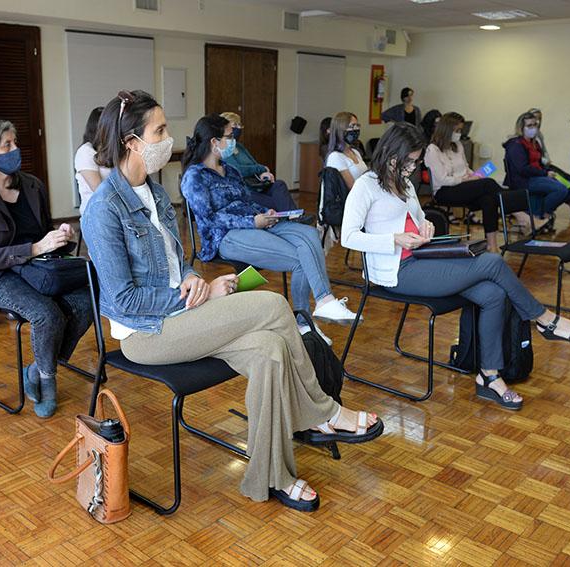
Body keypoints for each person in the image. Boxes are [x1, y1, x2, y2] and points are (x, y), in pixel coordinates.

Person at [82, 90, 381, 512]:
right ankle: (321, 413)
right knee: (275, 307)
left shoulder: (154, 191)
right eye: (160, 131)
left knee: (271, 349)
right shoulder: (103, 209)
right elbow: (124, 299)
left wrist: (194, 281)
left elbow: (178, 262)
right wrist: (188, 297)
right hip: (147, 333)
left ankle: (270, 477)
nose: (170, 139)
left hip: (182, 315)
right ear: (132, 142)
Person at [341, 123, 570, 411]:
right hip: (396, 273)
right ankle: (546, 320)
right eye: (409, 161)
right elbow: (348, 237)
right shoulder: (366, 185)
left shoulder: (406, 184)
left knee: (492, 295)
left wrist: (427, 225)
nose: (413, 168)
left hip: (421, 260)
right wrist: (394, 239)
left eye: (416, 161)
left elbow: (419, 217)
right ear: (391, 154)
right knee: (491, 260)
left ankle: (489, 376)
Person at [0, 117, 93, 417]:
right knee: (46, 315)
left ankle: (38, 368)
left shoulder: (32, 185)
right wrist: (34, 248)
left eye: (14, 143)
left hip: (38, 268)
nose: (15, 150)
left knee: (87, 300)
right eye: (7, 145)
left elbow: (43, 234)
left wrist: (60, 237)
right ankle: (48, 381)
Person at [181, 113, 360, 344]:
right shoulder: (194, 176)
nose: (234, 139)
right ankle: (303, 321)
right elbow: (209, 218)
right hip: (225, 237)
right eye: (229, 136)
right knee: (300, 258)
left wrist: (266, 213)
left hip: (255, 223)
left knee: (309, 233)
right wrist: (251, 222)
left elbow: (246, 202)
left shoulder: (231, 170)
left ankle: (325, 301)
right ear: (214, 142)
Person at [425, 112, 508, 253]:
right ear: (446, 129)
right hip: (444, 191)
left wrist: (475, 175)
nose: (459, 134)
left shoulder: (457, 145)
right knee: (488, 184)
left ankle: (491, 245)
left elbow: (465, 168)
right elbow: (442, 179)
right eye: (456, 130)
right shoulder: (432, 150)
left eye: (460, 130)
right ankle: (519, 212)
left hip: (462, 187)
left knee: (488, 199)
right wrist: (465, 179)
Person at [503, 111, 570, 224]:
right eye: (529, 126)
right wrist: (544, 173)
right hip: (525, 180)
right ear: (521, 128)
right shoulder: (515, 144)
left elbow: (540, 163)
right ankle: (540, 215)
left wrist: (548, 171)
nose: (533, 128)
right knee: (560, 189)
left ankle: (545, 213)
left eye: (534, 125)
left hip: (538, 175)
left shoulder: (534, 143)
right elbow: (523, 169)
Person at [219, 111, 299, 212]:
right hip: (245, 190)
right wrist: (261, 168)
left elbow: (254, 164)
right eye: (235, 125)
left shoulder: (240, 147)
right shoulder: (225, 149)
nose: (238, 128)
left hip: (257, 185)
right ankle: (289, 218)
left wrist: (263, 173)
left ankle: (295, 217)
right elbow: (238, 170)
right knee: (277, 203)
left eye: (240, 125)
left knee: (279, 184)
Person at [74, 106, 112, 212]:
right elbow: (99, 191)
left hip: (113, 211)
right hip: (95, 213)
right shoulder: (85, 151)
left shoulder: (109, 150)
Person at [325, 112, 369, 190]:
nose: (356, 129)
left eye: (357, 125)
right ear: (340, 130)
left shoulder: (355, 152)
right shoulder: (335, 156)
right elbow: (351, 187)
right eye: (352, 126)